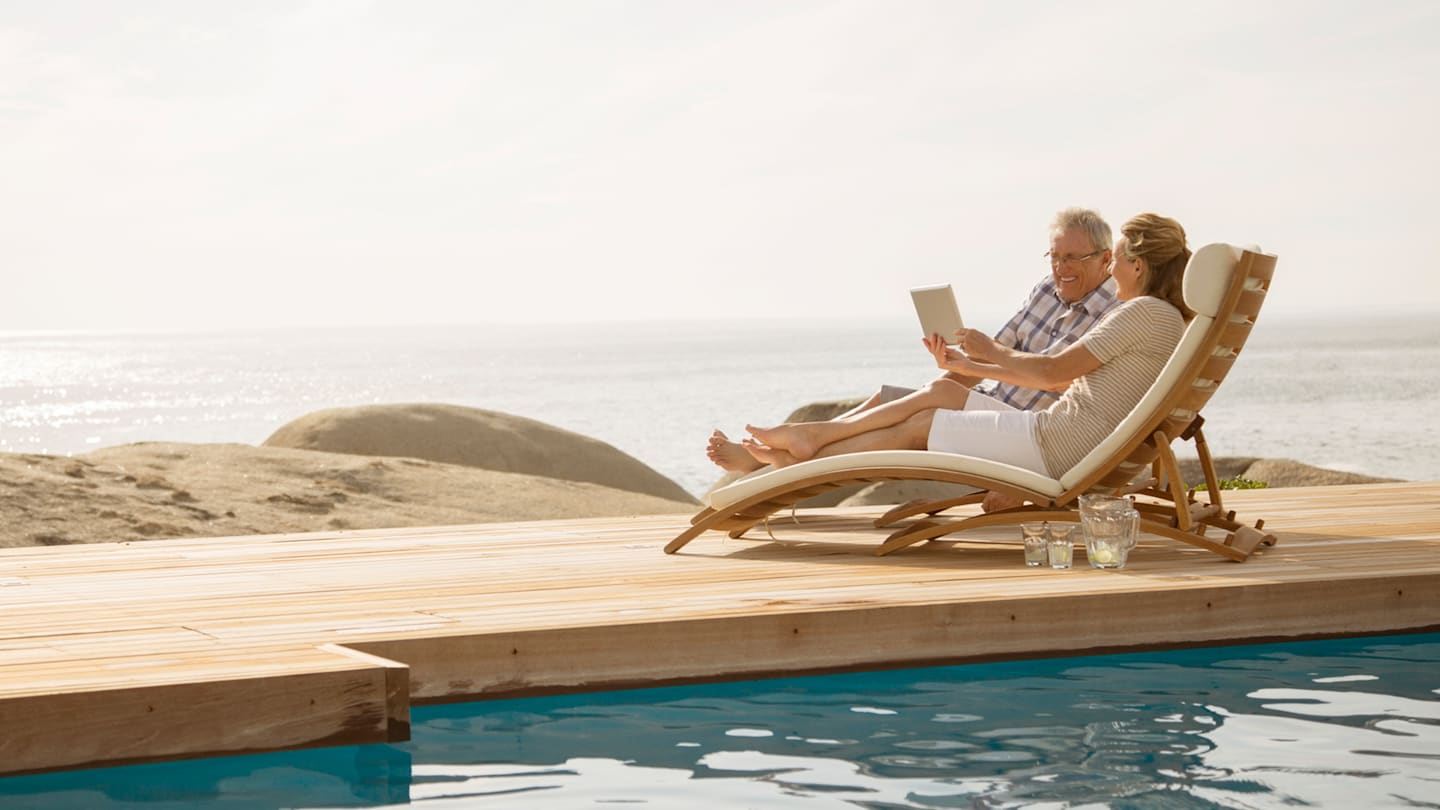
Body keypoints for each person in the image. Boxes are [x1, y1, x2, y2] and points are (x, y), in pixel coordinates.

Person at [739, 213, 1193, 481]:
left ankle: (802, 462)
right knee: (944, 394)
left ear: (1136, 264)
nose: (1112, 269)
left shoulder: (1143, 313)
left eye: (1114, 260)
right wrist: (975, 363)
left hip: (1057, 445)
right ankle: (810, 442)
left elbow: (1054, 373)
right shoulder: (1161, 317)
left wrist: (990, 353)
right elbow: (1065, 377)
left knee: (923, 424)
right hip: (1058, 434)